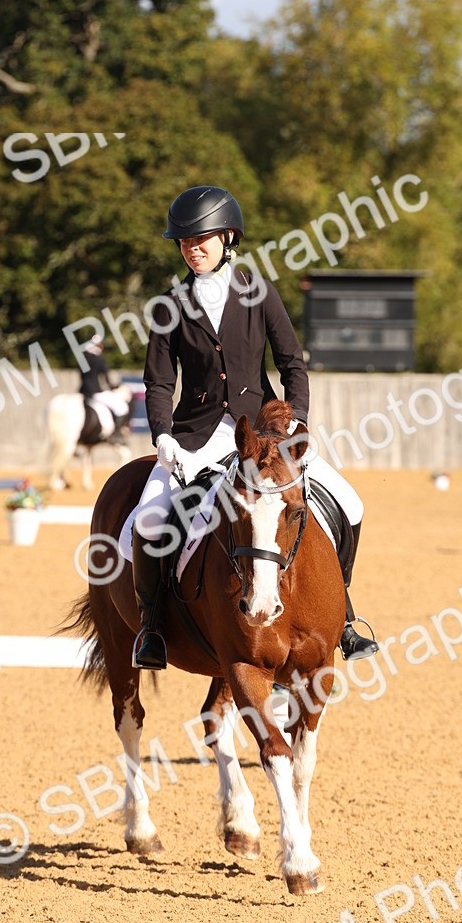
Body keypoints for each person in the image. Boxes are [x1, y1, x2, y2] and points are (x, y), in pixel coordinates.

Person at [132, 184, 379, 670]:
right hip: (197, 437)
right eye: (184, 242)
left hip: (265, 436)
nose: (192, 249)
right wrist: (162, 435)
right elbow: (158, 381)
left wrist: (297, 419)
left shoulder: (259, 292)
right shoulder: (169, 305)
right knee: (149, 518)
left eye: (201, 240)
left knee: (350, 502)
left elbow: (292, 364)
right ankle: (152, 627)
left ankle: (344, 616)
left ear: (228, 238)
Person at [78, 331, 130, 438]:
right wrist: (114, 386)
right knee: (122, 408)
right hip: (95, 392)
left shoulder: (82, 359)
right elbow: (106, 380)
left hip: (82, 392)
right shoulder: (99, 360)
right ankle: (115, 435)